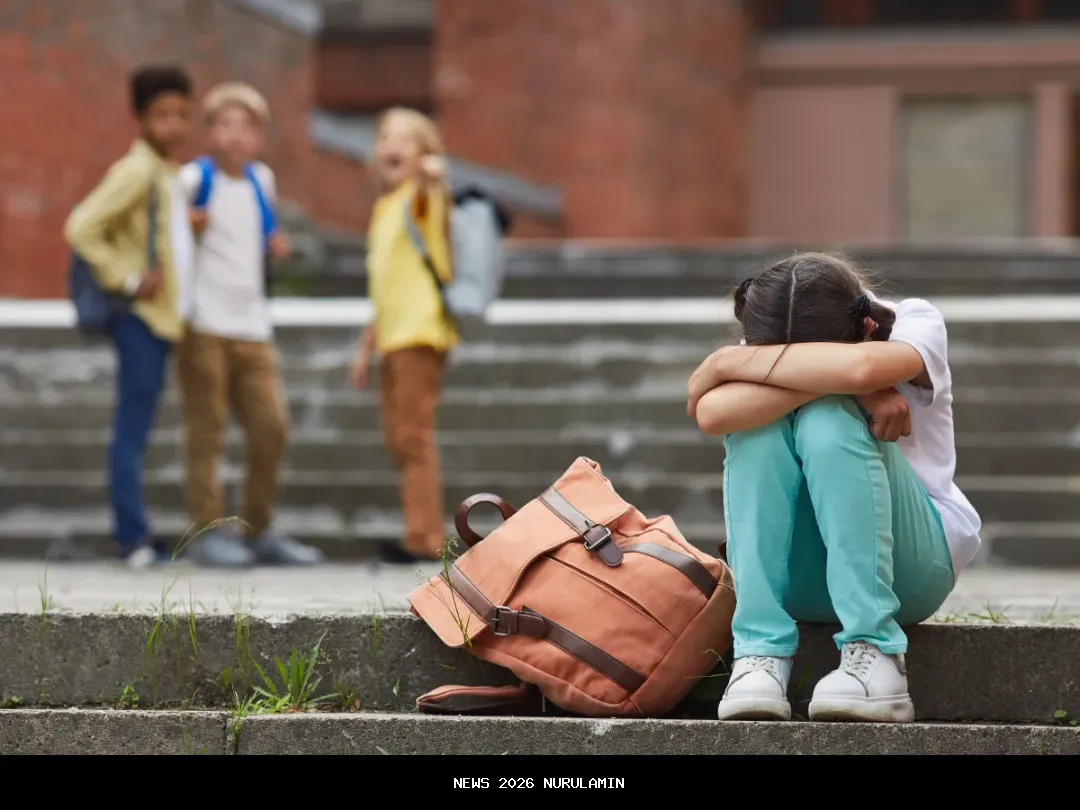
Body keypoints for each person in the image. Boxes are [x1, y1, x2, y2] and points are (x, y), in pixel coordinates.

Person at [687, 252, 981, 723]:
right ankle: (759, 653)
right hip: (800, 580)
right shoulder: (774, 330)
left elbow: (861, 370)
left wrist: (729, 364)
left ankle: (876, 651)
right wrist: (854, 385)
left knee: (827, 418)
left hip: (911, 570)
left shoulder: (914, 321)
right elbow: (711, 413)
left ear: (867, 328)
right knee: (754, 429)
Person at [175, 82, 324, 568]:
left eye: (247, 126)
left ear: (260, 136)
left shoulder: (262, 179)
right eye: (226, 124)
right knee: (207, 433)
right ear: (210, 132)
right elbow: (168, 240)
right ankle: (207, 533)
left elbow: (258, 236)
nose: (236, 135)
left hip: (254, 327)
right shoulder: (193, 179)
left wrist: (273, 245)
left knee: (271, 427)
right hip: (204, 326)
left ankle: (259, 530)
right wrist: (187, 227)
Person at [65, 65, 197, 568]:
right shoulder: (138, 170)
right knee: (132, 428)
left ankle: (135, 532)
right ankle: (132, 537)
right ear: (140, 117)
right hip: (140, 319)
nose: (174, 125)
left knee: (138, 426)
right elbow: (81, 226)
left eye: (182, 114)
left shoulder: (166, 172)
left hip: (162, 321)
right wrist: (127, 278)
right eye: (162, 115)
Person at [348, 107, 457, 564]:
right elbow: (384, 288)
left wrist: (432, 173)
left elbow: (434, 187)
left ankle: (425, 537)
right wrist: (365, 350)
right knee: (398, 437)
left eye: (405, 139)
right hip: (392, 337)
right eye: (385, 137)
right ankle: (419, 529)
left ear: (423, 151)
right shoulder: (384, 207)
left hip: (419, 332)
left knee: (413, 435)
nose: (391, 146)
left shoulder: (420, 199)